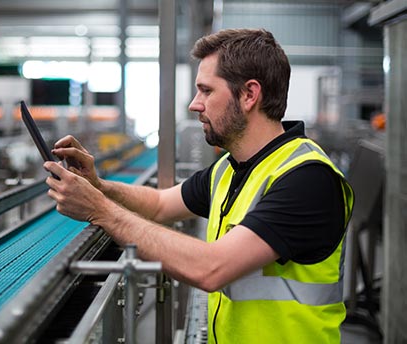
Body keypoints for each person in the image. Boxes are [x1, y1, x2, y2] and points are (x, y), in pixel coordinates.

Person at [44, 28, 354, 343]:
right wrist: (99, 186)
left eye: (206, 90)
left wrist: (99, 210)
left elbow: (211, 268)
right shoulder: (230, 168)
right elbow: (160, 204)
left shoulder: (307, 179)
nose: (195, 104)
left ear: (249, 95)